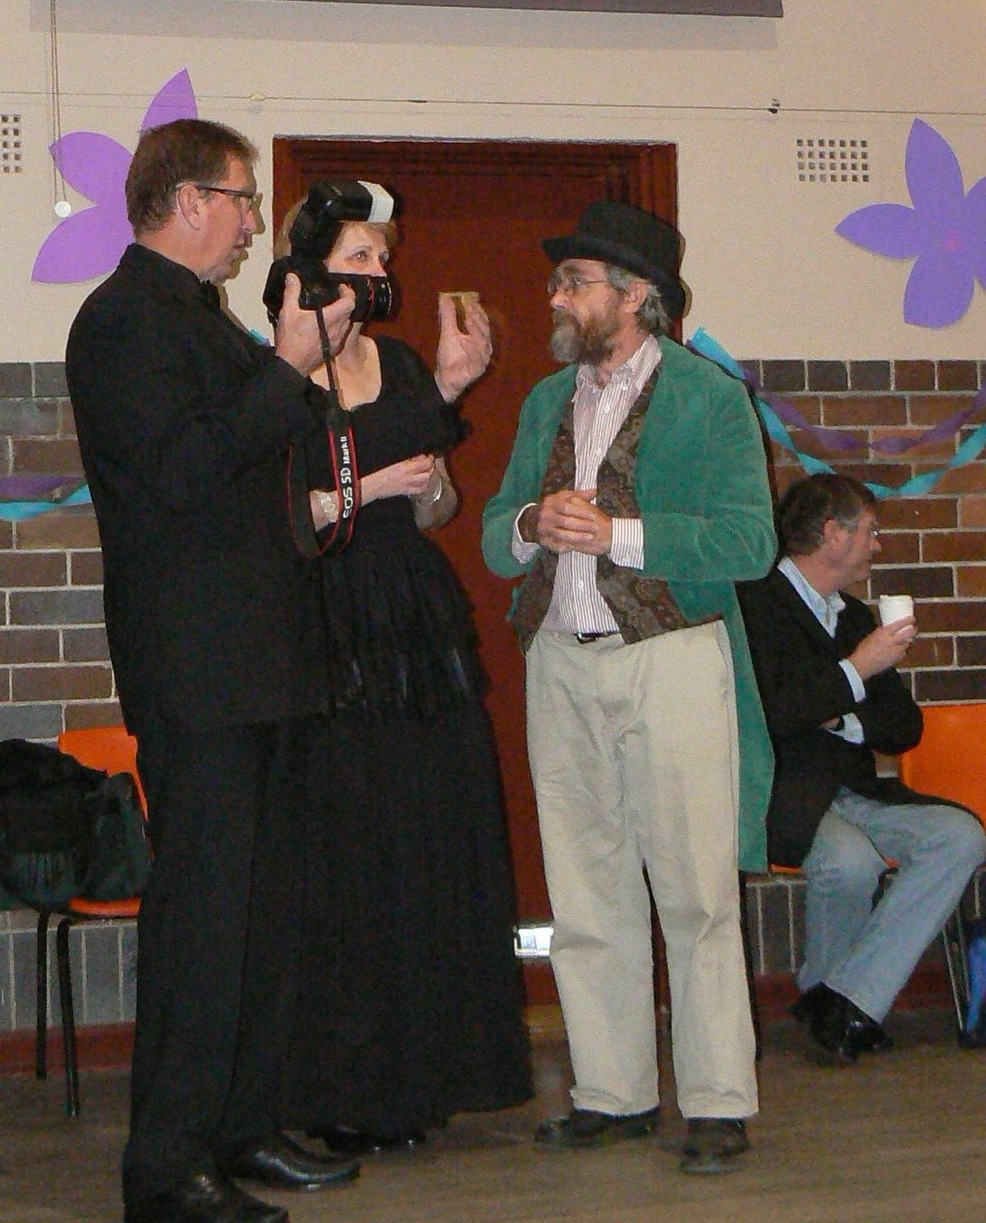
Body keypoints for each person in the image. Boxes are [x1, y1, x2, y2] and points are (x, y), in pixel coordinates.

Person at [65, 123, 468, 1223]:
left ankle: (240, 1123)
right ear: (187, 200)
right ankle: (166, 1166)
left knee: (263, 913)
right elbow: (184, 472)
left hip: (265, 660)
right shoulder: (122, 321)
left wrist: (414, 383)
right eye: (242, 199)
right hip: (200, 669)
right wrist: (287, 364)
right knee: (203, 922)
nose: (255, 223)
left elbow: (295, 462)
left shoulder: (201, 320)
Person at [481, 200, 776, 1175]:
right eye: (560, 280)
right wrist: (530, 521)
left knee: (694, 890)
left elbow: (749, 542)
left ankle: (717, 1098)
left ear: (636, 294)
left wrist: (620, 535)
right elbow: (494, 532)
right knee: (584, 888)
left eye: (573, 281)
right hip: (559, 659)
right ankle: (612, 1090)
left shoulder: (709, 397)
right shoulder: (543, 401)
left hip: (671, 656)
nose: (554, 296)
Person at [274, 183, 533, 1152]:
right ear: (310, 266)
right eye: (360, 256)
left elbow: (439, 501)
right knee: (348, 846)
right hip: (326, 614)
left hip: (411, 613)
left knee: (429, 832)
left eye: (382, 258)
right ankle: (344, 1085)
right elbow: (280, 517)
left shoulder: (406, 364)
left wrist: (427, 467)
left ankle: (431, 1071)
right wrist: (370, 483)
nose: (378, 273)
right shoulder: (277, 371)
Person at [737, 473, 986, 1063]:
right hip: (783, 789)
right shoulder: (755, 604)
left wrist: (840, 718)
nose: (877, 545)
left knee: (961, 835)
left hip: (855, 787)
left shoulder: (851, 615)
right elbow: (768, 715)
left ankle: (843, 1001)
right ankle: (841, 1006)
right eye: (870, 532)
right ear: (833, 534)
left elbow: (903, 727)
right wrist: (856, 671)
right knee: (850, 861)